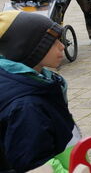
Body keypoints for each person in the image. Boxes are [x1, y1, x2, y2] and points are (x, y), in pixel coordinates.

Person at [0, 11, 81, 172]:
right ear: (29, 48)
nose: (62, 46)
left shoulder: (36, 82)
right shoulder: (27, 105)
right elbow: (35, 164)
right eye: (53, 41)